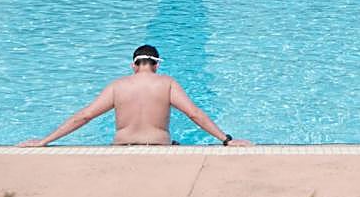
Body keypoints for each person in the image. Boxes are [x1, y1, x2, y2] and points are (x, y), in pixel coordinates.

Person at [18, 45, 252, 147]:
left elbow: (85, 116)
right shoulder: (167, 83)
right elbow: (194, 113)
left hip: (121, 147)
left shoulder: (118, 85)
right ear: (156, 66)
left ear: (134, 65)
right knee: (178, 144)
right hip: (159, 148)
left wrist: (44, 140)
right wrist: (226, 139)